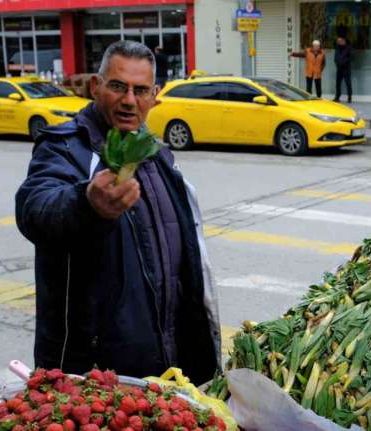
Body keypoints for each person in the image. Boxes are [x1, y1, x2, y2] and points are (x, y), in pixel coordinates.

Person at [15, 40, 221, 383]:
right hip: (96, 372)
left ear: (155, 96)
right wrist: (87, 203)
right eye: (117, 86)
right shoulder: (64, 147)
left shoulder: (158, 156)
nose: (129, 100)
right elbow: (35, 209)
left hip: (167, 363)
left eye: (140, 90)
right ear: (95, 87)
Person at [333, 36, 352, 103]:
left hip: (346, 69)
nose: (339, 42)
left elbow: (351, 58)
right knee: (338, 83)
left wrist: (344, 62)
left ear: (344, 41)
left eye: (340, 41)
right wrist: (336, 62)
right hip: (339, 68)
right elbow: (335, 57)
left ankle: (349, 97)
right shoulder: (337, 48)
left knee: (348, 83)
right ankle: (337, 97)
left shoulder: (348, 48)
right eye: (338, 41)